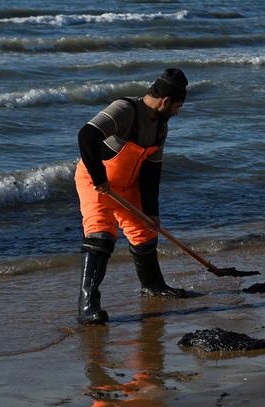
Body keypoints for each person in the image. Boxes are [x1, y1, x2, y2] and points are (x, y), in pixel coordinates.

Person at [75, 68, 189, 325]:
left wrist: (152, 212)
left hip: (128, 186)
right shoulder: (124, 109)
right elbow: (86, 136)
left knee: (146, 232)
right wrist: (99, 177)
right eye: (177, 107)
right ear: (166, 102)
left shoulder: (161, 127)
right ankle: (87, 305)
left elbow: (151, 171)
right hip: (96, 184)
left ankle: (153, 285)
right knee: (101, 236)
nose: (177, 113)